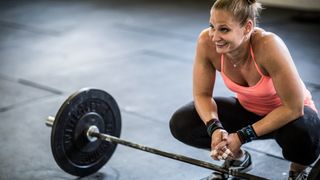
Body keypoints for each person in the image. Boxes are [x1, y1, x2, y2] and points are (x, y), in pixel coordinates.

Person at [169, 0, 320, 179]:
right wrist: (215, 128)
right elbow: (202, 94)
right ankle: (238, 160)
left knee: (303, 135)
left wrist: (241, 136)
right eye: (212, 26)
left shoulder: (269, 45)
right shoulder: (206, 42)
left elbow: (293, 108)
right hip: (249, 111)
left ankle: (298, 171)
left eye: (224, 29)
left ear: (247, 27)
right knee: (183, 122)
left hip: (290, 118)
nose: (215, 36)